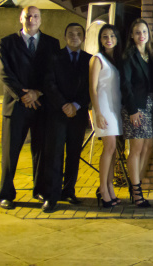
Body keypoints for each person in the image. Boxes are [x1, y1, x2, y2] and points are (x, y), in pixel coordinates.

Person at [0, 6, 60, 210]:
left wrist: (38, 92)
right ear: (20, 18)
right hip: (16, 106)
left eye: (35, 16)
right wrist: (23, 95)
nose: (31, 19)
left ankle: (40, 190)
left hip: (42, 105)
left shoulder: (52, 43)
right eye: (28, 16)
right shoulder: (6, 43)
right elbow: (4, 73)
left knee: (41, 151)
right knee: (10, 152)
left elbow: (54, 73)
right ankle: (6, 194)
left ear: (41, 19)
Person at [41, 23, 91, 213]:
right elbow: (49, 84)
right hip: (57, 113)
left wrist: (76, 105)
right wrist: (63, 105)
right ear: (65, 36)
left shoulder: (89, 60)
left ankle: (69, 191)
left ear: (83, 37)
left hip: (78, 114)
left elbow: (90, 88)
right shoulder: (54, 58)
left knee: (73, 154)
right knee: (54, 155)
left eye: (78, 33)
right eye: (71, 33)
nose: (75, 36)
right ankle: (51, 197)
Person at [120, 19, 153, 208]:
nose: (141, 35)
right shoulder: (129, 55)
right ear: (132, 35)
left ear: (148, 34)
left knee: (148, 146)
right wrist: (132, 110)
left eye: (144, 32)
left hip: (150, 106)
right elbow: (125, 85)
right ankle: (136, 193)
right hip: (136, 106)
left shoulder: (151, 55)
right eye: (137, 32)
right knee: (136, 148)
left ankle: (138, 184)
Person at [89, 24, 124, 208]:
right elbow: (93, 89)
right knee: (109, 148)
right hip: (103, 109)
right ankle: (103, 189)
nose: (108, 39)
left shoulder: (115, 60)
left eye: (112, 35)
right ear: (100, 40)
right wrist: (98, 113)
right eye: (104, 36)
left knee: (112, 151)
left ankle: (110, 187)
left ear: (117, 39)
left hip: (114, 109)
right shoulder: (97, 59)